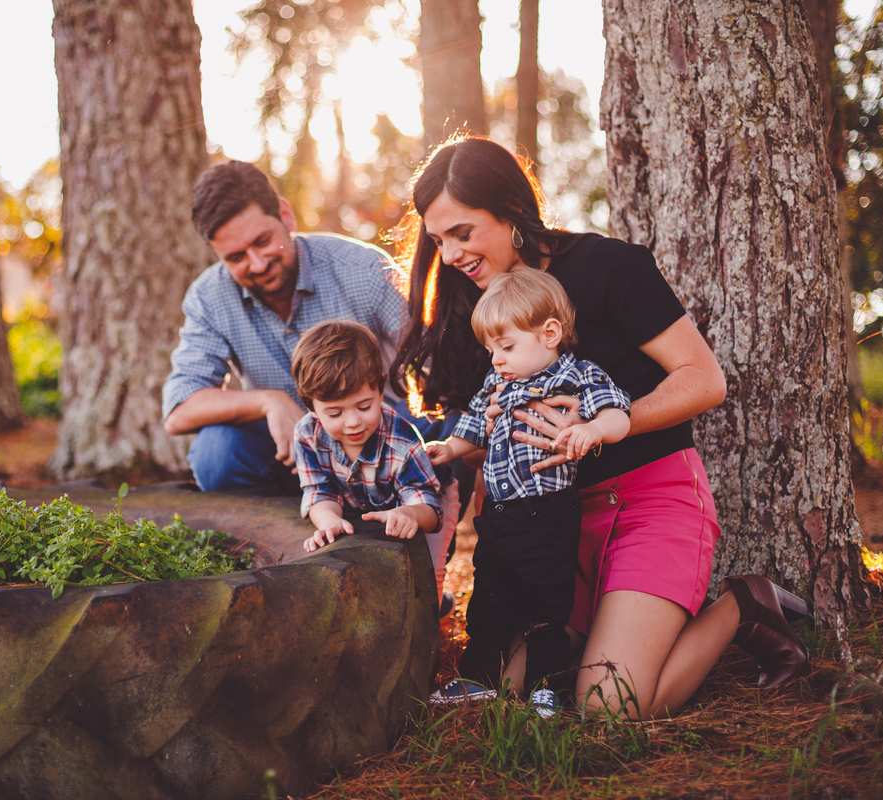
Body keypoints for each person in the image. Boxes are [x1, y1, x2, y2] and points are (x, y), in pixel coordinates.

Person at [391, 136, 811, 720]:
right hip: (556, 525)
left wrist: (604, 425)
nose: (452, 253)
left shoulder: (606, 267)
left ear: (511, 211)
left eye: (464, 232)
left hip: (652, 501)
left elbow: (704, 379)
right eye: (439, 240)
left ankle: (745, 604)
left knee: (609, 709)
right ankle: (601, 636)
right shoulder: (477, 308)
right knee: (507, 694)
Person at [425, 268, 631, 718]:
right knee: (489, 601)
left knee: (546, 605)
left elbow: (619, 415)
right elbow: (476, 427)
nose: (496, 359)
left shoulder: (575, 377)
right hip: (498, 517)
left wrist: (591, 430)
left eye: (506, 346)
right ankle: (477, 679)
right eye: (491, 349)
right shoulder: (498, 384)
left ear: (550, 333)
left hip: (547, 515)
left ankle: (547, 687)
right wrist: (450, 447)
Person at [161, 161, 407, 494]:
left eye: (263, 241)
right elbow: (179, 411)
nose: (258, 264)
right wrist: (269, 401)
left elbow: (436, 362)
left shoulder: (362, 269)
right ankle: (284, 531)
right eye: (236, 257)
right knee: (215, 452)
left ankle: (421, 530)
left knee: (445, 422)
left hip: (385, 441)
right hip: (292, 453)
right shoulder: (210, 298)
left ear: (285, 215)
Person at [291, 321, 458, 603]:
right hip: (363, 502)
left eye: (364, 406)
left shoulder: (401, 443)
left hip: (425, 501)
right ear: (311, 407)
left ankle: (437, 609)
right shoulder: (308, 433)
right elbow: (320, 490)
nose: (353, 422)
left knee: (429, 574)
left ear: (380, 390)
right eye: (335, 413)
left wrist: (410, 514)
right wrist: (329, 520)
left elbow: (428, 507)